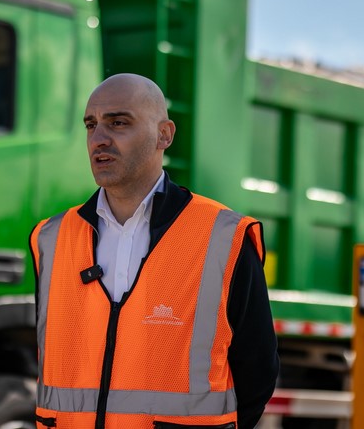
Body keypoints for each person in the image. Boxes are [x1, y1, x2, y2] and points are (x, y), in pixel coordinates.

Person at [29, 73, 279, 429]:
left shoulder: (224, 236)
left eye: (118, 123)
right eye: (91, 125)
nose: (99, 139)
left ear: (165, 135)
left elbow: (257, 371)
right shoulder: (51, 239)